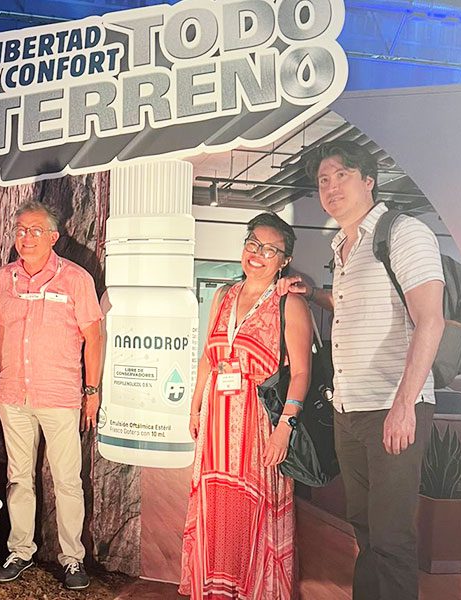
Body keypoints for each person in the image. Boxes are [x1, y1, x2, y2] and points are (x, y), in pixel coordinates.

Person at [281, 141, 445, 600]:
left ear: (369, 180)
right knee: (366, 532)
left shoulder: (403, 233)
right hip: (349, 408)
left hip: (391, 407)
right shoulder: (343, 245)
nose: (331, 187)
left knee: (391, 539)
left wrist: (404, 406)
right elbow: (358, 309)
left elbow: (430, 320)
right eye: (323, 181)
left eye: (342, 175)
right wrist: (315, 295)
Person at [180, 212, 313, 599]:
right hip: (216, 422)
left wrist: (284, 428)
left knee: (251, 509)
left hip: (259, 426)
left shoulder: (289, 304)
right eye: (253, 244)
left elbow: (301, 373)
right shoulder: (223, 295)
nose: (257, 254)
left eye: (270, 250)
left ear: (285, 260)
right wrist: (195, 407)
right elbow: (208, 357)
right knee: (216, 506)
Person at [0, 200, 103, 591]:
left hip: (60, 395)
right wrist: (3, 377)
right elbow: (2, 332)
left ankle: (72, 559)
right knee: (18, 478)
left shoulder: (75, 278)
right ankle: (19, 551)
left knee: (68, 481)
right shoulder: (5, 278)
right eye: (21, 229)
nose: (27, 237)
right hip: (13, 395)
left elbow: (94, 337)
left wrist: (92, 391)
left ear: (53, 237)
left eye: (36, 230)